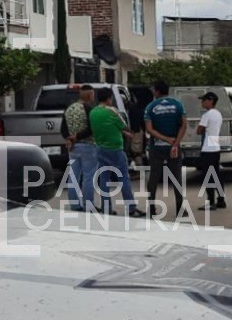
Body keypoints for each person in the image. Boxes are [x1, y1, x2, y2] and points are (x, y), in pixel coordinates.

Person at [90, 90, 146, 218]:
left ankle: (106, 208)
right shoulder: (112, 111)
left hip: (100, 148)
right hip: (115, 148)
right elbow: (124, 125)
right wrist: (126, 133)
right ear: (109, 98)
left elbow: (106, 127)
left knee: (104, 179)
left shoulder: (93, 112)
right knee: (123, 178)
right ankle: (131, 208)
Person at [143, 79, 189, 218]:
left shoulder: (150, 107)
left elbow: (149, 129)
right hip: (174, 147)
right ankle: (180, 209)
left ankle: (151, 209)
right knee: (176, 177)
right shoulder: (178, 105)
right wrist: (174, 143)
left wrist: (164, 139)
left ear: (157, 91)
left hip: (156, 147)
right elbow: (184, 125)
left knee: (154, 176)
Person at [62, 85, 97, 211]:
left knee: (73, 176)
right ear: (88, 95)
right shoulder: (88, 109)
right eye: (92, 94)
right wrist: (77, 137)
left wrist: (69, 139)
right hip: (88, 146)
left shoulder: (69, 109)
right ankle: (88, 205)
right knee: (88, 176)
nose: (93, 97)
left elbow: (63, 129)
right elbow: (91, 129)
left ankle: (75, 205)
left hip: (73, 148)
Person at [195, 92, 227, 211]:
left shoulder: (207, 115)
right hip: (216, 148)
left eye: (204, 100)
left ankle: (211, 202)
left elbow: (199, 130)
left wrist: (202, 128)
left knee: (208, 176)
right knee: (217, 175)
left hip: (207, 149)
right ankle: (221, 199)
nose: (202, 102)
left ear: (211, 101)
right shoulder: (218, 114)